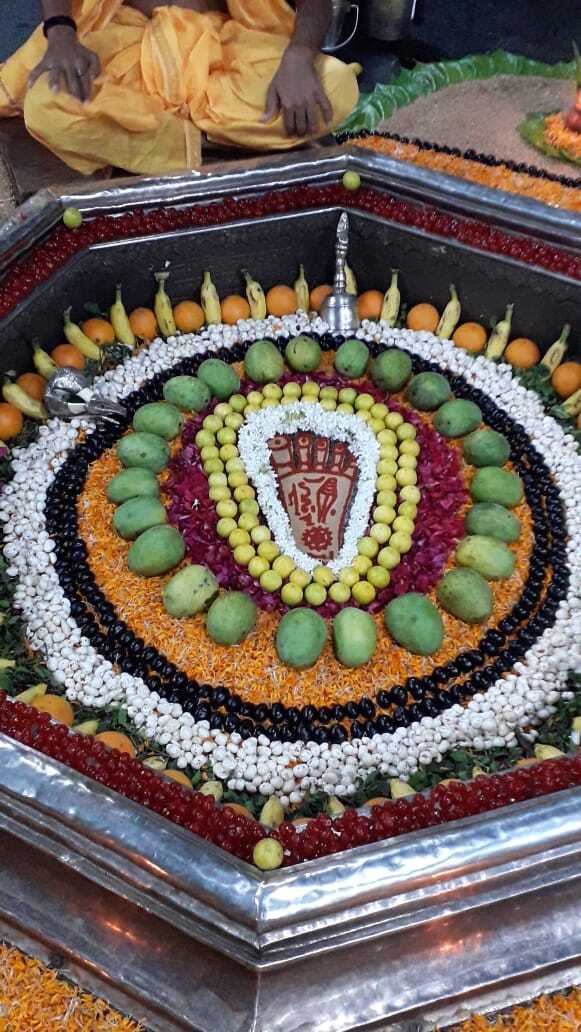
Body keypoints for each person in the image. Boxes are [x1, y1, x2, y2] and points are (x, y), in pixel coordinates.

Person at [0, 1, 359, 176]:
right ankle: (209, 144)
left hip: (224, 47)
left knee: (337, 85)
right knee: (47, 104)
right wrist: (61, 33)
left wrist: (298, 55)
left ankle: (155, 145)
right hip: (129, 42)